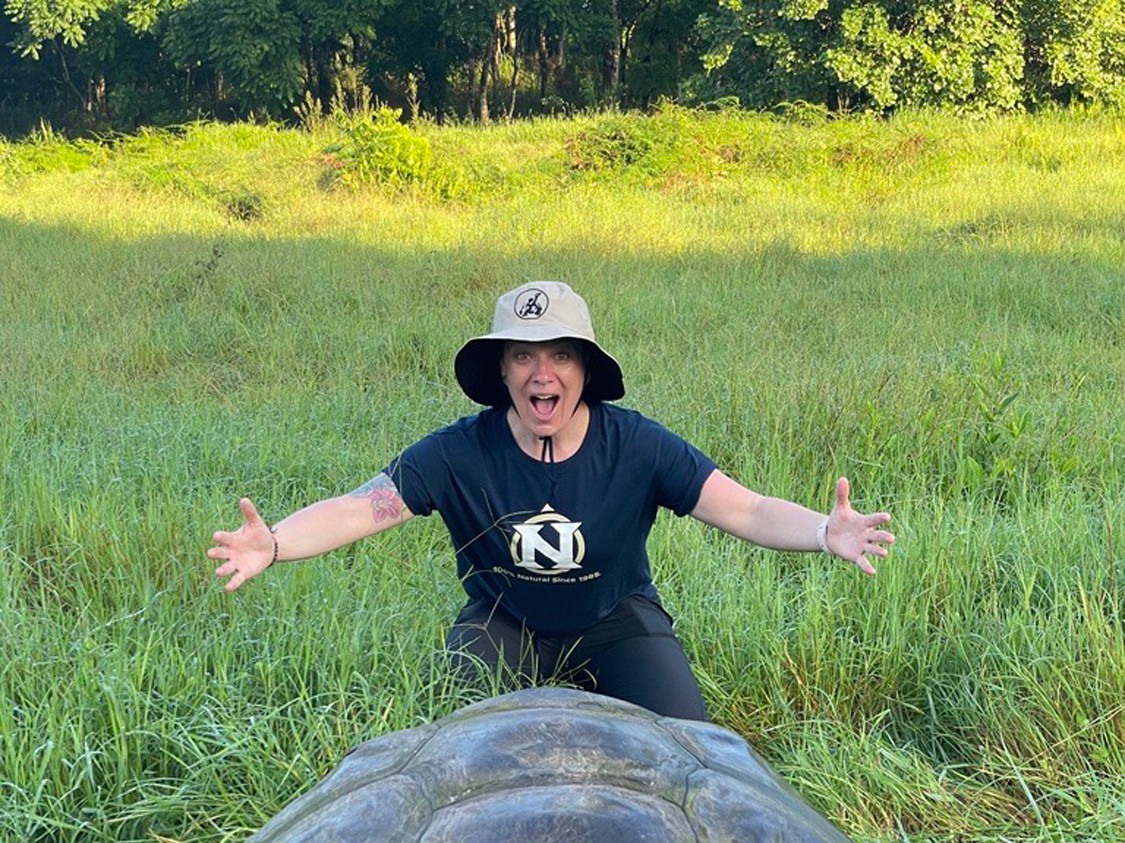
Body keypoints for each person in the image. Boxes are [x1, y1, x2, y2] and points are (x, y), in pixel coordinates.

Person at [209, 280, 894, 722]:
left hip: (615, 620)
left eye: (561, 355)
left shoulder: (637, 446)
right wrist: (275, 542)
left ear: (584, 370)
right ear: (501, 372)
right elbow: (363, 507)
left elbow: (742, 508)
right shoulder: (457, 453)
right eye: (523, 356)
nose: (543, 373)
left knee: (688, 747)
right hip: (503, 623)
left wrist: (820, 533)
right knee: (468, 743)